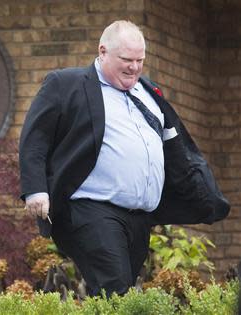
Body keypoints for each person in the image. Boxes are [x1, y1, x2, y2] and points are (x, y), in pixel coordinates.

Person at [19, 20, 230, 297]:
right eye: (126, 59)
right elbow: (35, 138)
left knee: (121, 295)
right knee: (114, 288)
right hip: (90, 208)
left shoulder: (149, 92)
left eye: (140, 60)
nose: (134, 67)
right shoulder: (66, 84)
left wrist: (200, 192)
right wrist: (35, 189)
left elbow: (175, 146)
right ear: (103, 51)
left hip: (139, 216)